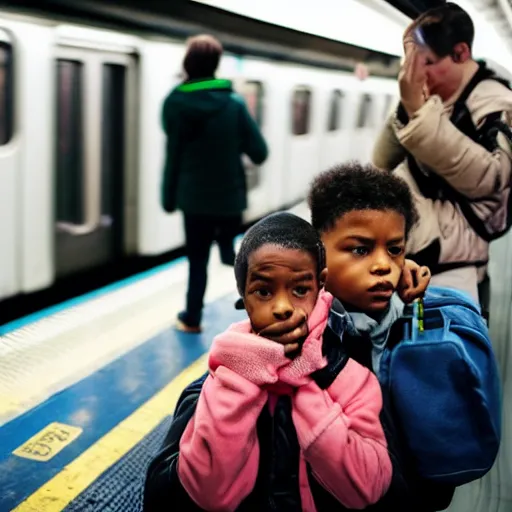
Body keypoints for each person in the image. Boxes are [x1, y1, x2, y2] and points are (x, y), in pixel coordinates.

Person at [144, 211, 394, 511]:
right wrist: (241, 379)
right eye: (263, 291)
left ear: (321, 285)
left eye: (300, 290)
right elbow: (209, 493)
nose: (282, 307)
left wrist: (304, 380)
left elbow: (367, 487)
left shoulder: (352, 379)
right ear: (243, 296)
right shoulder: (217, 386)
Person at [307, 161, 461, 511]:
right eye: (360, 249)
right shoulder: (302, 333)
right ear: (316, 250)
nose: (383, 266)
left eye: (395, 249)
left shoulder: (407, 317)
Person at [372, 2, 512, 321]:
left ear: (461, 53)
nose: (418, 75)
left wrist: (421, 116)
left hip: (456, 271)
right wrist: (410, 109)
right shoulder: (433, 97)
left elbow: (492, 177)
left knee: (442, 354)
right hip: (417, 261)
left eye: (428, 63)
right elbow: (381, 159)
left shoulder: (497, 103)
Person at [161, 34, 268, 333]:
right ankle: (260, 315)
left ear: (188, 62)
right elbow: (259, 152)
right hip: (229, 200)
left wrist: (168, 197)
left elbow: (174, 155)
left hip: (193, 200)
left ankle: (192, 318)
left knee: (197, 261)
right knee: (235, 258)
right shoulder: (233, 104)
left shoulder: (174, 103)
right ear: (216, 64)